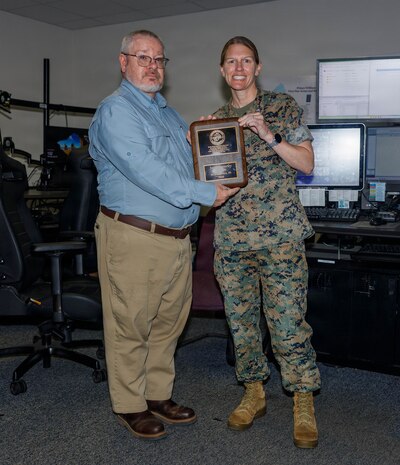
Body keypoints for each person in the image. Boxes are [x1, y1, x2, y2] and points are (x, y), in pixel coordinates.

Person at [89, 30, 239, 441]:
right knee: (130, 324)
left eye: (159, 59)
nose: (152, 66)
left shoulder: (168, 114)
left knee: (168, 324)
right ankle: (130, 405)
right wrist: (208, 193)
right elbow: (148, 172)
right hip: (134, 236)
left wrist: (206, 144)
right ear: (124, 62)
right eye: (143, 58)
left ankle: (157, 395)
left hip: (176, 239)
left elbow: (182, 166)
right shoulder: (116, 112)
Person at [211, 36, 321, 449]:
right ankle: (254, 393)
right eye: (231, 62)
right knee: (241, 327)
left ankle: (302, 400)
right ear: (222, 71)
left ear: (257, 68)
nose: (238, 68)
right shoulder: (215, 121)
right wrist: (197, 150)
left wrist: (269, 134)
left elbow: (307, 163)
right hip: (233, 241)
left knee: (289, 325)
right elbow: (209, 186)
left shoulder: (282, 107)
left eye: (246, 61)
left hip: (280, 239)